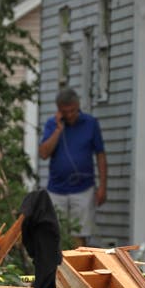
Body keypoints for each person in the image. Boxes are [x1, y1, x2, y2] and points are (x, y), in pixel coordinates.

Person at [38, 88, 107, 246]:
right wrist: (57, 131)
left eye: (72, 111)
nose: (69, 115)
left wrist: (103, 186)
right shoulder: (52, 124)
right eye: (65, 112)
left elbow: (101, 155)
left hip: (83, 188)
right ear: (59, 111)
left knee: (80, 232)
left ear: (78, 106)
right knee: (55, 232)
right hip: (57, 189)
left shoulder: (90, 123)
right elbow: (43, 153)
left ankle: (78, 266)